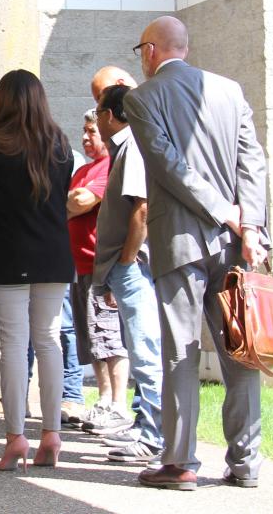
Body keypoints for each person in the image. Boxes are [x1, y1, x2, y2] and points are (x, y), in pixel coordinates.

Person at [125, 16, 268, 491]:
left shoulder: (141, 98)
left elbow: (169, 165)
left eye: (139, 51)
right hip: (233, 244)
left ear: (150, 51)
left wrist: (226, 212)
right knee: (240, 351)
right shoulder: (230, 90)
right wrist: (249, 224)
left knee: (180, 352)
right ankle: (246, 462)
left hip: (182, 240)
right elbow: (253, 162)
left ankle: (180, 462)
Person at [0, 69, 74, 472]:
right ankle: (52, 435)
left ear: (3, 101)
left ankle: (15, 438)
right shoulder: (61, 143)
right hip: (54, 256)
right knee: (48, 341)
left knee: (13, 345)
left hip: (9, 255)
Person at [91, 84, 164, 464]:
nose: (96, 118)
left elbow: (142, 210)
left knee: (145, 351)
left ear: (109, 115)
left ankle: (156, 436)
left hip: (131, 269)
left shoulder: (133, 147)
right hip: (122, 269)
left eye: (98, 109)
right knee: (139, 348)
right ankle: (145, 425)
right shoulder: (123, 149)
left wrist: (125, 260)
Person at [69, 110, 133, 436]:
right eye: (83, 131)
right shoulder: (83, 170)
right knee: (92, 341)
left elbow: (79, 202)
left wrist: (72, 201)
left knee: (109, 338)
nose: (85, 137)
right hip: (80, 268)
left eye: (91, 131)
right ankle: (104, 400)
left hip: (101, 267)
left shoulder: (111, 165)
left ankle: (119, 404)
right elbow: (72, 201)